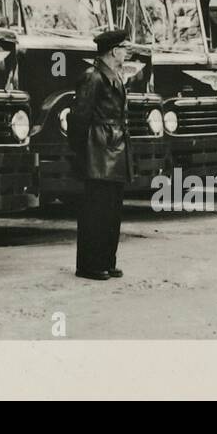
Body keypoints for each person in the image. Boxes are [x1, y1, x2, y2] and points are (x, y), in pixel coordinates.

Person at [66, 29, 133, 281]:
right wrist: (82, 152)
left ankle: (106, 261)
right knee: (96, 210)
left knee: (111, 210)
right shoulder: (93, 77)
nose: (126, 52)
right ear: (114, 51)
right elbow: (79, 117)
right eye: (124, 48)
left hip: (112, 149)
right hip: (99, 150)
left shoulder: (111, 75)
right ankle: (89, 265)